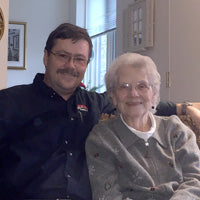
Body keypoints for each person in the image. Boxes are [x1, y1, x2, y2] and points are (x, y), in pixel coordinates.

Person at [0, 23, 197, 200]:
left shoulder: (92, 102)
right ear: (46, 57)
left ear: (86, 65)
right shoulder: (10, 102)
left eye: (79, 59)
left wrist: (186, 107)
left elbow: (136, 101)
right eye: (62, 56)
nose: (70, 65)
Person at [86, 53, 200, 200]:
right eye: (124, 87)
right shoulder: (102, 139)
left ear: (154, 93)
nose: (133, 93)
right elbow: (107, 195)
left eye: (142, 86)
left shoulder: (175, 130)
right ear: (113, 95)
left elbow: (196, 179)